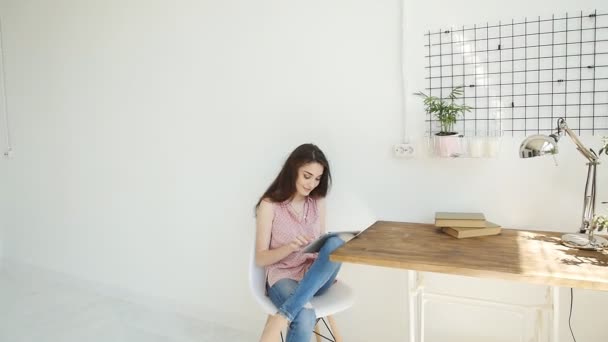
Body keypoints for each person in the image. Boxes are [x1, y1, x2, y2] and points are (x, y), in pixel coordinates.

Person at [255, 143, 344, 342]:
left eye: (317, 178)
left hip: (316, 276)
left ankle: (284, 314)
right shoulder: (270, 205)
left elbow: (323, 246)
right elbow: (261, 258)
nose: (312, 183)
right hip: (284, 275)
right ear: (292, 170)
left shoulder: (318, 201)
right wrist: (290, 247)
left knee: (336, 243)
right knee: (304, 317)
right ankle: (292, 311)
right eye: (307, 175)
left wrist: (318, 244)